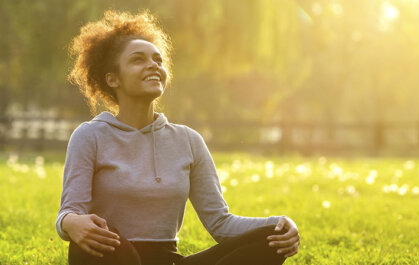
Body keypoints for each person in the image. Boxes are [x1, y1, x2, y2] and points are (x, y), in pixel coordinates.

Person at [55, 9, 300, 265]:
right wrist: (71, 222)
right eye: (138, 60)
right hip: (113, 254)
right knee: (97, 243)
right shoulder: (90, 135)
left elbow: (220, 223)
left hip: (168, 260)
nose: (153, 65)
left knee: (272, 239)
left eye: (158, 60)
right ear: (112, 78)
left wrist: (281, 224)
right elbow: (69, 213)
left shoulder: (188, 140)